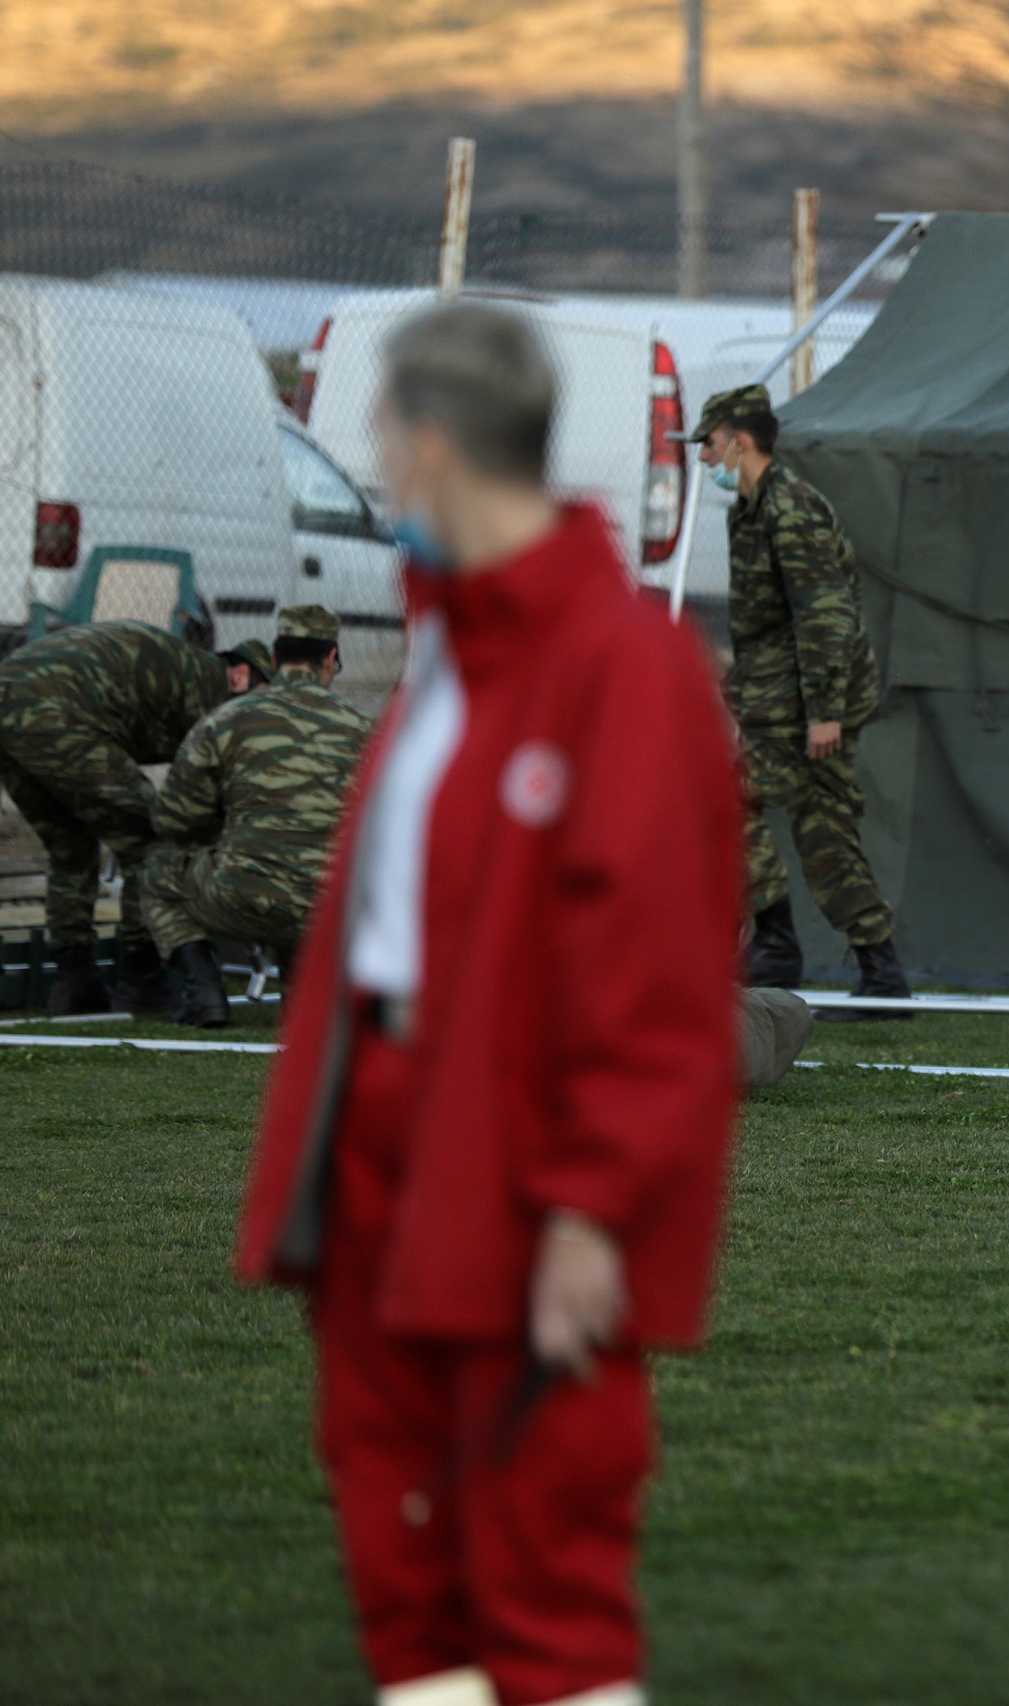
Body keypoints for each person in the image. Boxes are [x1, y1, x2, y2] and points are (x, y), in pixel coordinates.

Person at [234, 303, 743, 1706]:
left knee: (540, 1554)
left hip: (513, 1158)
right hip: (386, 1138)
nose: (383, 478)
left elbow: (655, 978)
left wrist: (591, 1207)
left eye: (386, 443)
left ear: (429, 444)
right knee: (406, 1563)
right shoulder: (447, 654)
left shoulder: (621, 670)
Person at [691, 383, 910, 1012]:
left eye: (709, 444)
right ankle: (878, 968)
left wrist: (824, 713)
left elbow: (825, 617)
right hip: (779, 700)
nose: (704, 459)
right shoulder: (753, 508)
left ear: (739, 440)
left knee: (733, 803)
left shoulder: (790, 509)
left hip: (809, 705)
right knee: (822, 830)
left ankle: (781, 942)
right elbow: (768, 624)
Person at [0, 617, 272, 1016]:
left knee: (71, 848)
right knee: (149, 844)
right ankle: (142, 978)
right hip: (56, 710)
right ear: (240, 676)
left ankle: (75, 984)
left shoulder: (187, 672)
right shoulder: (208, 691)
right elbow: (198, 798)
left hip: (13, 706)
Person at [140, 603, 372, 1027]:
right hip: (334, 905)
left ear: (275, 655)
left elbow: (172, 819)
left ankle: (205, 994)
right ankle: (305, 1000)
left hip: (242, 897)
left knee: (158, 871)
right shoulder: (363, 729)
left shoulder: (226, 721)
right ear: (331, 657)